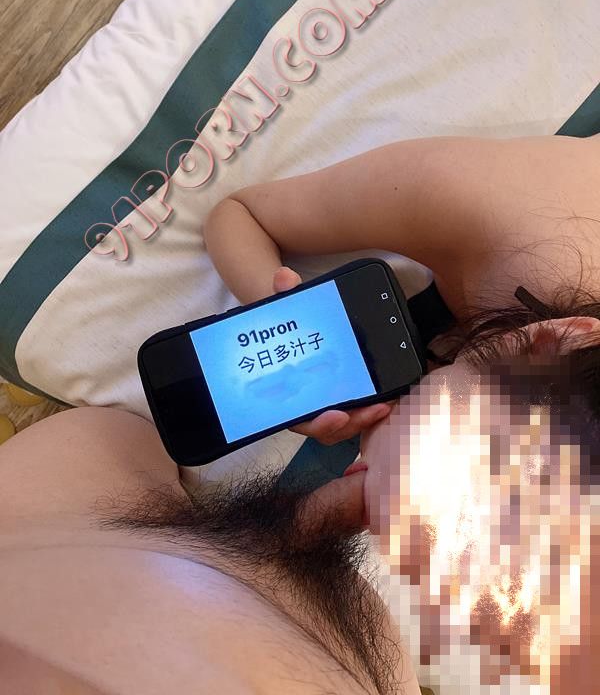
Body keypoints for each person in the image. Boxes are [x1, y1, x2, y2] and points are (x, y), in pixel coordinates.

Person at [1, 133, 599, 693]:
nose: (384, 529)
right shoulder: (502, 202)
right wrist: (282, 321)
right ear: (549, 341)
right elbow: (242, 214)